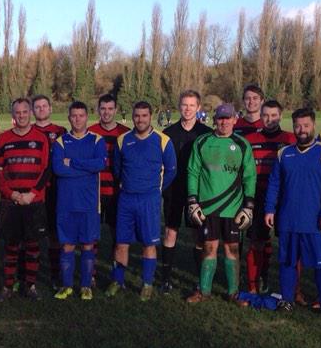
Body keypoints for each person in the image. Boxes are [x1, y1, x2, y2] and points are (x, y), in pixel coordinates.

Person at [264, 108, 321, 313]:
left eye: (306, 125)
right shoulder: (284, 153)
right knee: (287, 261)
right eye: (297, 126)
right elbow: (274, 184)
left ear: (313, 125)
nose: (301, 130)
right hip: (288, 219)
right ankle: (287, 299)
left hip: (315, 221)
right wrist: (270, 209)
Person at [185, 103, 256, 303]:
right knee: (209, 248)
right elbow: (193, 172)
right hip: (208, 208)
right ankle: (204, 291)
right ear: (215, 120)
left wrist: (248, 205)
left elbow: (250, 176)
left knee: (232, 249)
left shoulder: (242, 144)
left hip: (233, 209)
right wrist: (192, 201)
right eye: (220, 118)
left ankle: (233, 292)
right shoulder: (202, 142)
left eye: (228, 118)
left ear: (235, 119)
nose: (224, 122)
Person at [107, 101, 177, 300]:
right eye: (137, 116)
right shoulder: (123, 140)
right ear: (133, 116)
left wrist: (156, 189)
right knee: (121, 242)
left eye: (144, 115)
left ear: (151, 116)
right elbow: (117, 170)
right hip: (126, 199)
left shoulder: (163, 141)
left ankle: (147, 284)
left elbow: (172, 171)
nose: (140, 120)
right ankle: (117, 280)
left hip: (149, 200)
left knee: (149, 243)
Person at [0, 97, 52, 299]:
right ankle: (8, 285)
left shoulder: (41, 138)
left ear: (30, 113)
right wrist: (12, 194)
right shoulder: (3, 139)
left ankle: (30, 285)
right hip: (11, 201)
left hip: (33, 201)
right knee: (11, 244)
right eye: (17, 112)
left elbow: (46, 170)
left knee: (32, 245)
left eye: (25, 112)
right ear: (13, 115)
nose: (21, 116)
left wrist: (32, 193)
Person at [239, 99, 296, 294]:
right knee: (257, 242)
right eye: (265, 115)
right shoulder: (251, 140)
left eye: (273, 115)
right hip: (258, 196)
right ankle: (254, 285)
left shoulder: (290, 139)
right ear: (260, 116)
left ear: (281, 116)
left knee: (289, 243)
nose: (269, 119)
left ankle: (293, 290)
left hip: (285, 197)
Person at [52, 101, 107, 300]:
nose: (77, 119)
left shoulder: (96, 140)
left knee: (87, 245)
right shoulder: (60, 142)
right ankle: (66, 285)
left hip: (88, 204)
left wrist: (73, 163)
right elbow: (58, 169)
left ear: (87, 117)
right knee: (66, 246)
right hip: (66, 204)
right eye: (73, 116)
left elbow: (100, 164)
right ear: (69, 118)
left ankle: (85, 286)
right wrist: (85, 169)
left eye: (81, 115)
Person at [160, 90, 211, 292]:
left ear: (198, 108)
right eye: (184, 105)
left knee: (197, 234)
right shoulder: (168, 134)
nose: (188, 109)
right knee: (170, 231)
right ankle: (166, 279)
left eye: (192, 105)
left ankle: (200, 279)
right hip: (173, 190)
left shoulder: (206, 133)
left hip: (197, 193)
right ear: (179, 106)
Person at [88, 93, 130, 278]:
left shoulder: (125, 133)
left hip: (116, 193)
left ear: (116, 110)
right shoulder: (90, 132)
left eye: (110, 109)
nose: (106, 113)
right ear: (98, 110)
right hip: (94, 193)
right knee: (92, 236)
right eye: (103, 109)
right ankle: (92, 274)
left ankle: (117, 276)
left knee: (118, 236)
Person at [32, 94, 67, 286]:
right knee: (32, 236)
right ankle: (29, 276)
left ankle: (54, 275)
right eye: (37, 107)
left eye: (44, 106)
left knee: (54, 235)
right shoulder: (28, 131)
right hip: (35, 191)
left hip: (56, 190)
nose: (41, 109)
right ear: (32, 111)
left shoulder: (61, 131)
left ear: (50, 108)